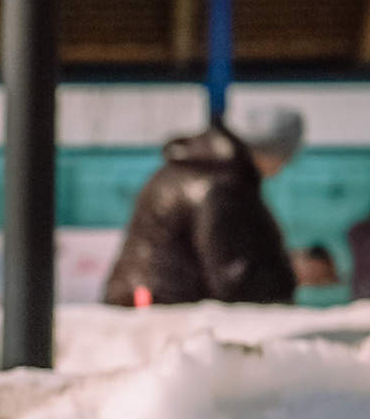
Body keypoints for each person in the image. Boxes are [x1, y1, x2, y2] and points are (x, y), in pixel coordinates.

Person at [102, 107, 303, 310]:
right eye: (285, 159)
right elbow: (231, 272)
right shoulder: (221, 185)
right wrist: (286, 278)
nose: (281, 169)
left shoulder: (194, 168)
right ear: (268, 152)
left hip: (145, 300)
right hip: (166, 309)